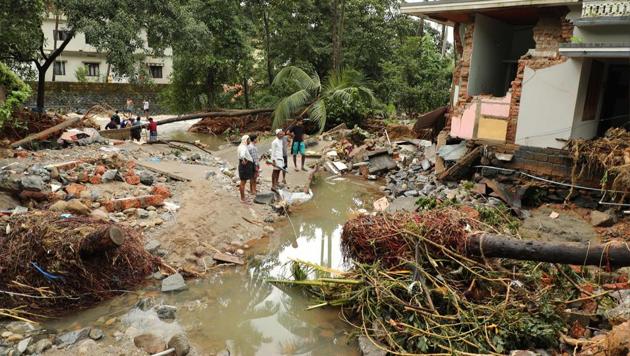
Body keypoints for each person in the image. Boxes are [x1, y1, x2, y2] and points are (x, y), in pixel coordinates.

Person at [237, 135, 254, 203]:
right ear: (245, 140)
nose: (249, 141)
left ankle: (242, 197)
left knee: (243, 182)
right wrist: (244, 160)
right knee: (243, 182)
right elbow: (242, 155)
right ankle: (242, 198)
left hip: (243, 165)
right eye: (248, 140)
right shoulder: (243, 147)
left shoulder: (241, 146)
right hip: (245, 166)